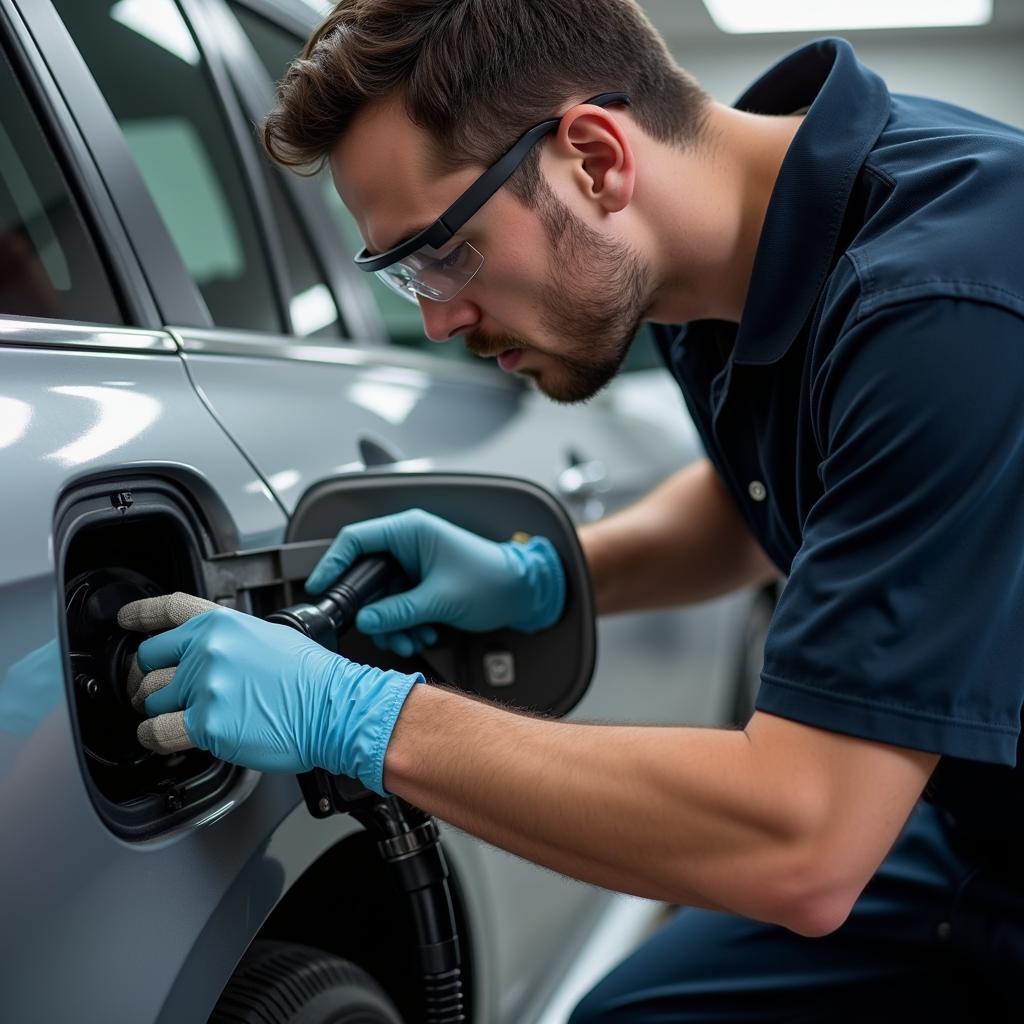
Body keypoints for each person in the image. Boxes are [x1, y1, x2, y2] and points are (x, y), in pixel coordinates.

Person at [117, 1, 1024, 1017]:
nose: (435, 319)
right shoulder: (702, 265)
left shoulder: (943, 305)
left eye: (440, 254)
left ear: (593, 157)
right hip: (968, 832)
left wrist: (359, 717)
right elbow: (778, 501)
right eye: (404, 274)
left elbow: (804, 841)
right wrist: (545, 575)